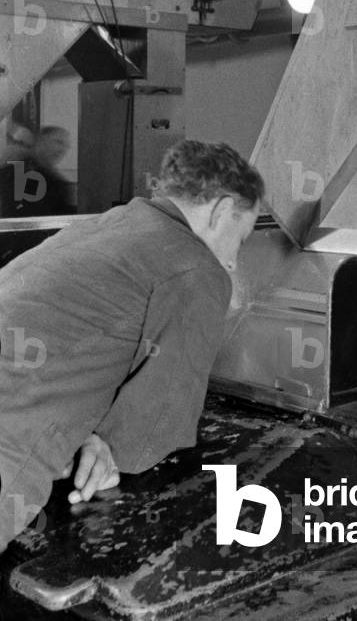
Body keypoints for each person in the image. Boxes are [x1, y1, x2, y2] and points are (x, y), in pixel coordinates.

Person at [0, 139, 263, 551]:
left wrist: (99, 434)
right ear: (222, 210)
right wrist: (112, 448)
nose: (232, 259)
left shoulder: (113, 223)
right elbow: (163, 414)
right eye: (242, 238)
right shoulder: (198, 268)